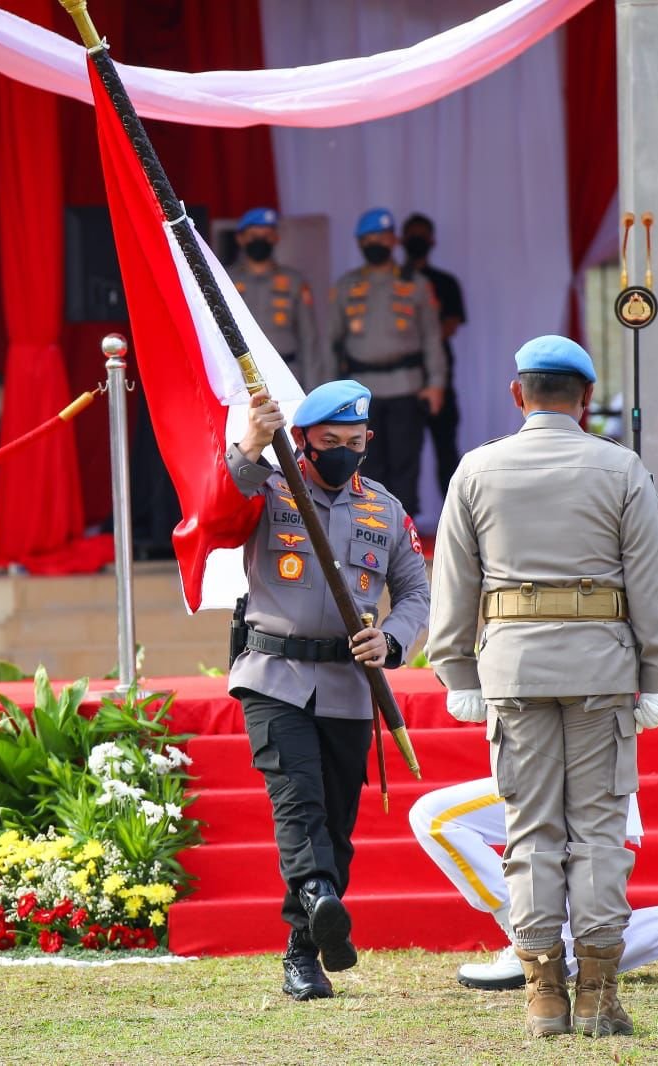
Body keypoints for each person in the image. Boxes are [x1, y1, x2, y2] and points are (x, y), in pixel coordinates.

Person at [427, 335, 658, 1040]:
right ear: (584, 401)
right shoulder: (619, 467)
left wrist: (455, 668)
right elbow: (651, 585)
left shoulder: (477, 469)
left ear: (518, 394)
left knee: (530, 830)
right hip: (601, 669)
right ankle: (599, 994)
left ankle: (544, 995)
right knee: (598, 828)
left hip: (511, 670)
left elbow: (453, 582)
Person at [224, 379, 430, 1002]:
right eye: (329, 442)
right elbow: (217, 506)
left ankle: (305, 948)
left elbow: (416, 594)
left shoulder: (386, 510)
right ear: (303, 442)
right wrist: (248, 446)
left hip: (347, 683)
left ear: (367, 440)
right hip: (272, 677)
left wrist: (390, 642)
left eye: (354, 441)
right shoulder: (269, 485)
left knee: (338, 823)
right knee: (299, 802)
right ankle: (316, 893)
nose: (342, 451)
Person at [409, 778, 658, 989]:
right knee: (577, 942)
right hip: (580, 767)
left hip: (561, 765)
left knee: (434, 818)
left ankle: (524, 936)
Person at [329, 208, 446, 517]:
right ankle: (370, 525)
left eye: (382, 237)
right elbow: (331, 342)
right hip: (360, 390)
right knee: (365, 460)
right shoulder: (346, 286)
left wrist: (436, 384)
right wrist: (330, 392)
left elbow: (433, 339)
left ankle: (403, 530)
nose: (375, 243)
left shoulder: (417, 284)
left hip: (407, 385)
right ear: (359, 243)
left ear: (394, 240)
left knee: (405, 462)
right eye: (368, 239)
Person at [401, 213, 467, 497]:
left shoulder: (444, 282)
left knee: (446, 450)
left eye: (421, 235)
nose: (417, 241)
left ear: (431, 241)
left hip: (439, 376)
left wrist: (422, 339)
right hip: (403, 376)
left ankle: (454, 513)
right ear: (401, 241)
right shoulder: (395, 282)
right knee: (402, 453)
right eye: (411, 235)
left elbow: (450, 326)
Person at [228, 207, 321, 389]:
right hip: (240, 378)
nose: (261, 240)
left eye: (267, 235)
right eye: (254, 235)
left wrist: (313, 389)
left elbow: (309, 338)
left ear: (276, 238)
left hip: (286, 374)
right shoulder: (225, 280)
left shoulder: (294, 281)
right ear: (240, 238)